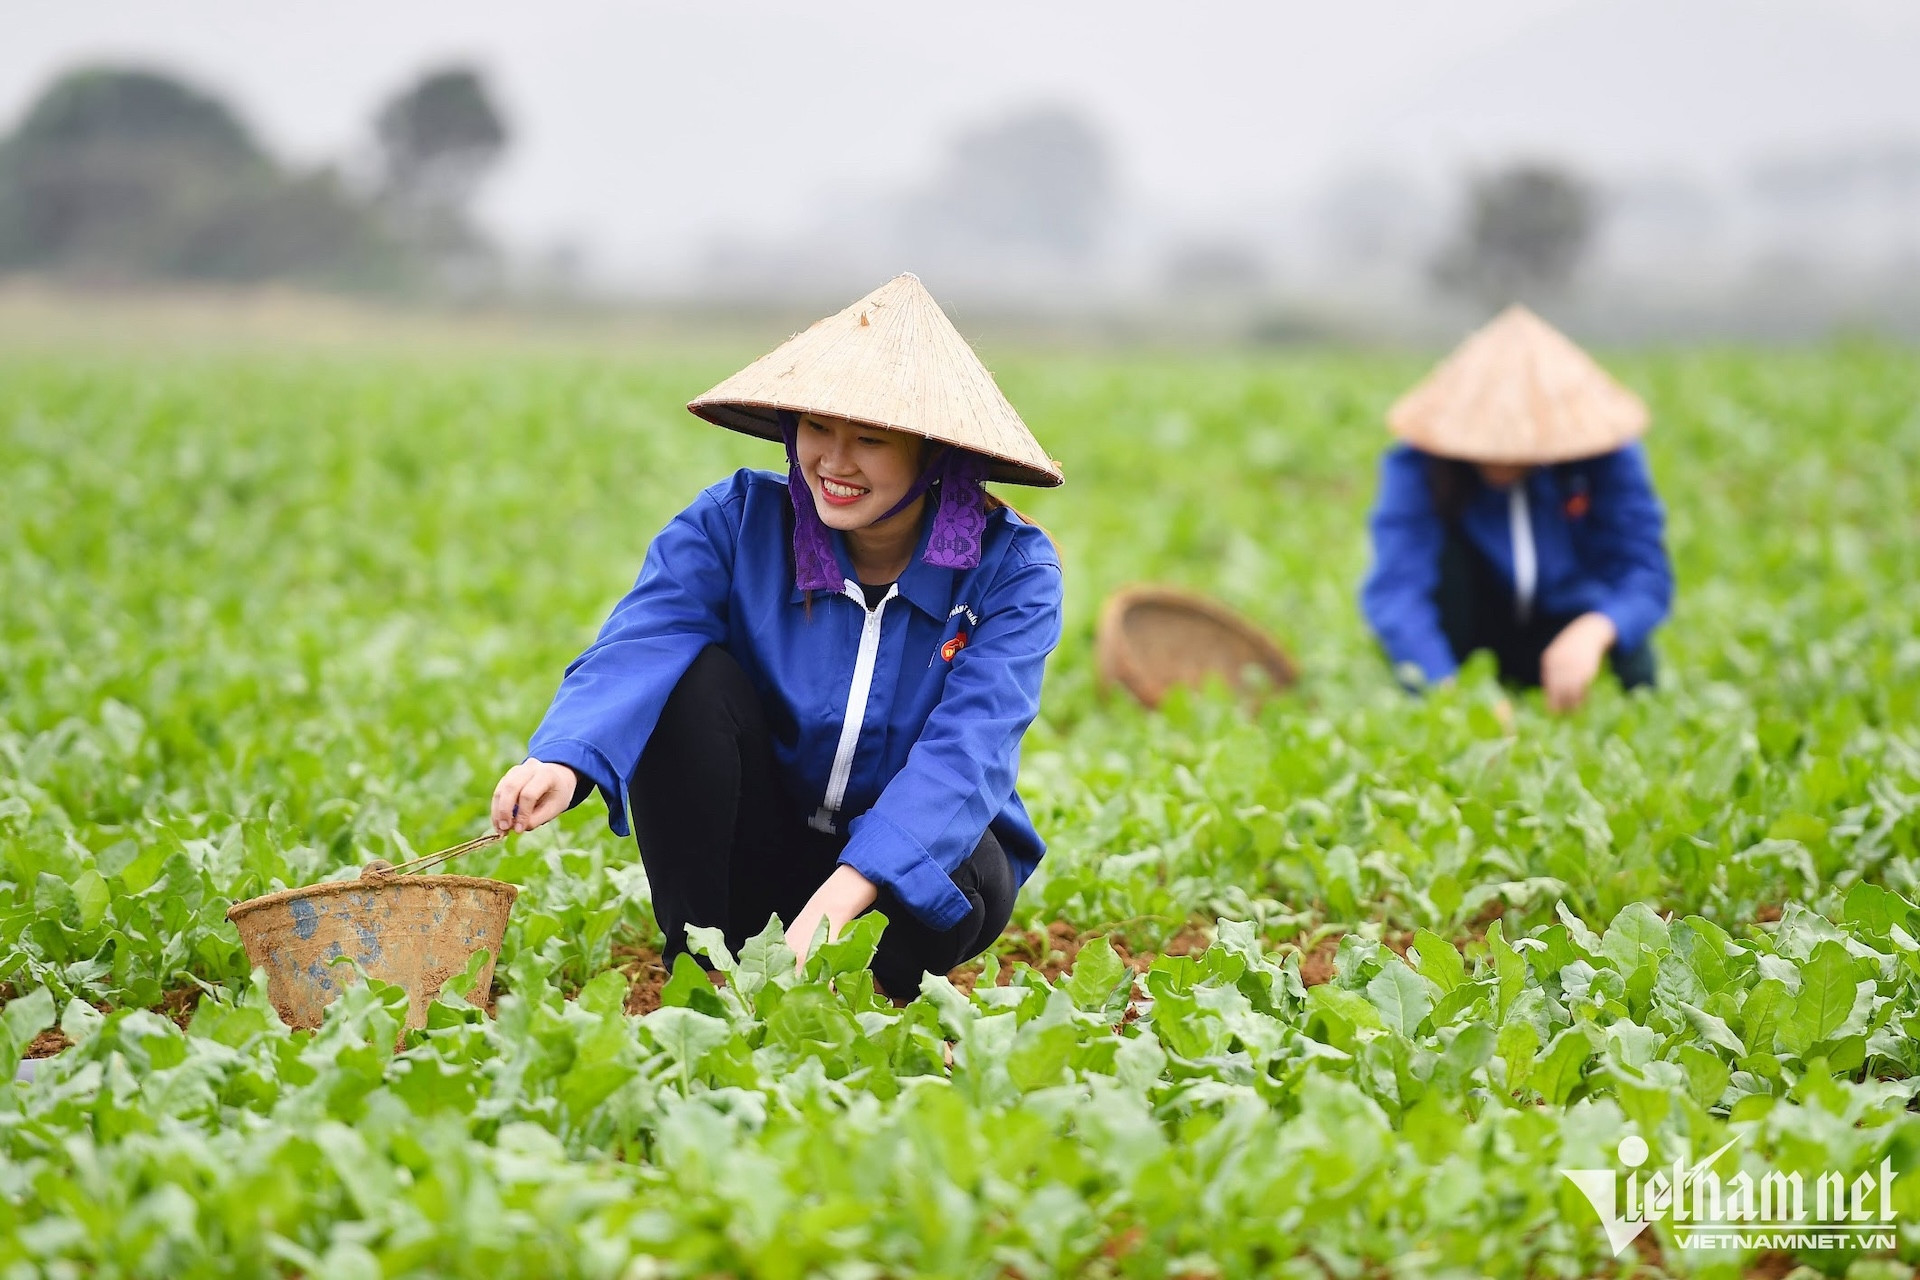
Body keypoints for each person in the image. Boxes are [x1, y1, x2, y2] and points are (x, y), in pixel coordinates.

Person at [488, 274, 1065, 998]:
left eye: (871, 439)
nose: (834, 461)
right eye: (818, 428)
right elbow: (643, 640)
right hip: (760, 853)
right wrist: (564, 759)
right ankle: (702, 968)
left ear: (933, 456)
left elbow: (969, 751)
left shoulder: (1010, 571)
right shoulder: (734, 523)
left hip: (893, 885)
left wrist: (834, 906)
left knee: (964, 867)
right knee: (687, 686)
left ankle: (870, 986)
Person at [1361, 305, 1673, 712]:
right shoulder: (1418, 466)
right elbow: (1397, 590)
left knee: (1629, 648)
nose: (1500, 458)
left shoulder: (1606, 457)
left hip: (1566, 627)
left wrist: (1596, 631)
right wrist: (1449, 695)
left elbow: (1646, 573)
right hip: (1470, 633)